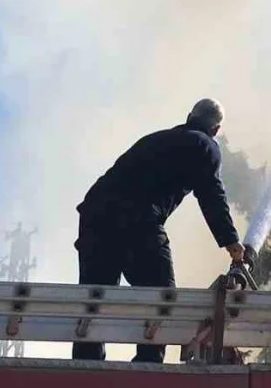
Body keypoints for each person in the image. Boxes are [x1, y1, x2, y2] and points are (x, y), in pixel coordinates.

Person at [71, 98, 245, 363]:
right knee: (163, 298)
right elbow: (211, 194)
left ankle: (86, 369)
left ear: (189, 115)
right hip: (138, 219)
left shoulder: (156, 138)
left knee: (94, 298)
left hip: (95, 216)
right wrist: (231, 241)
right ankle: (147, 366)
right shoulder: (205, 145)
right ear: (216, 129)